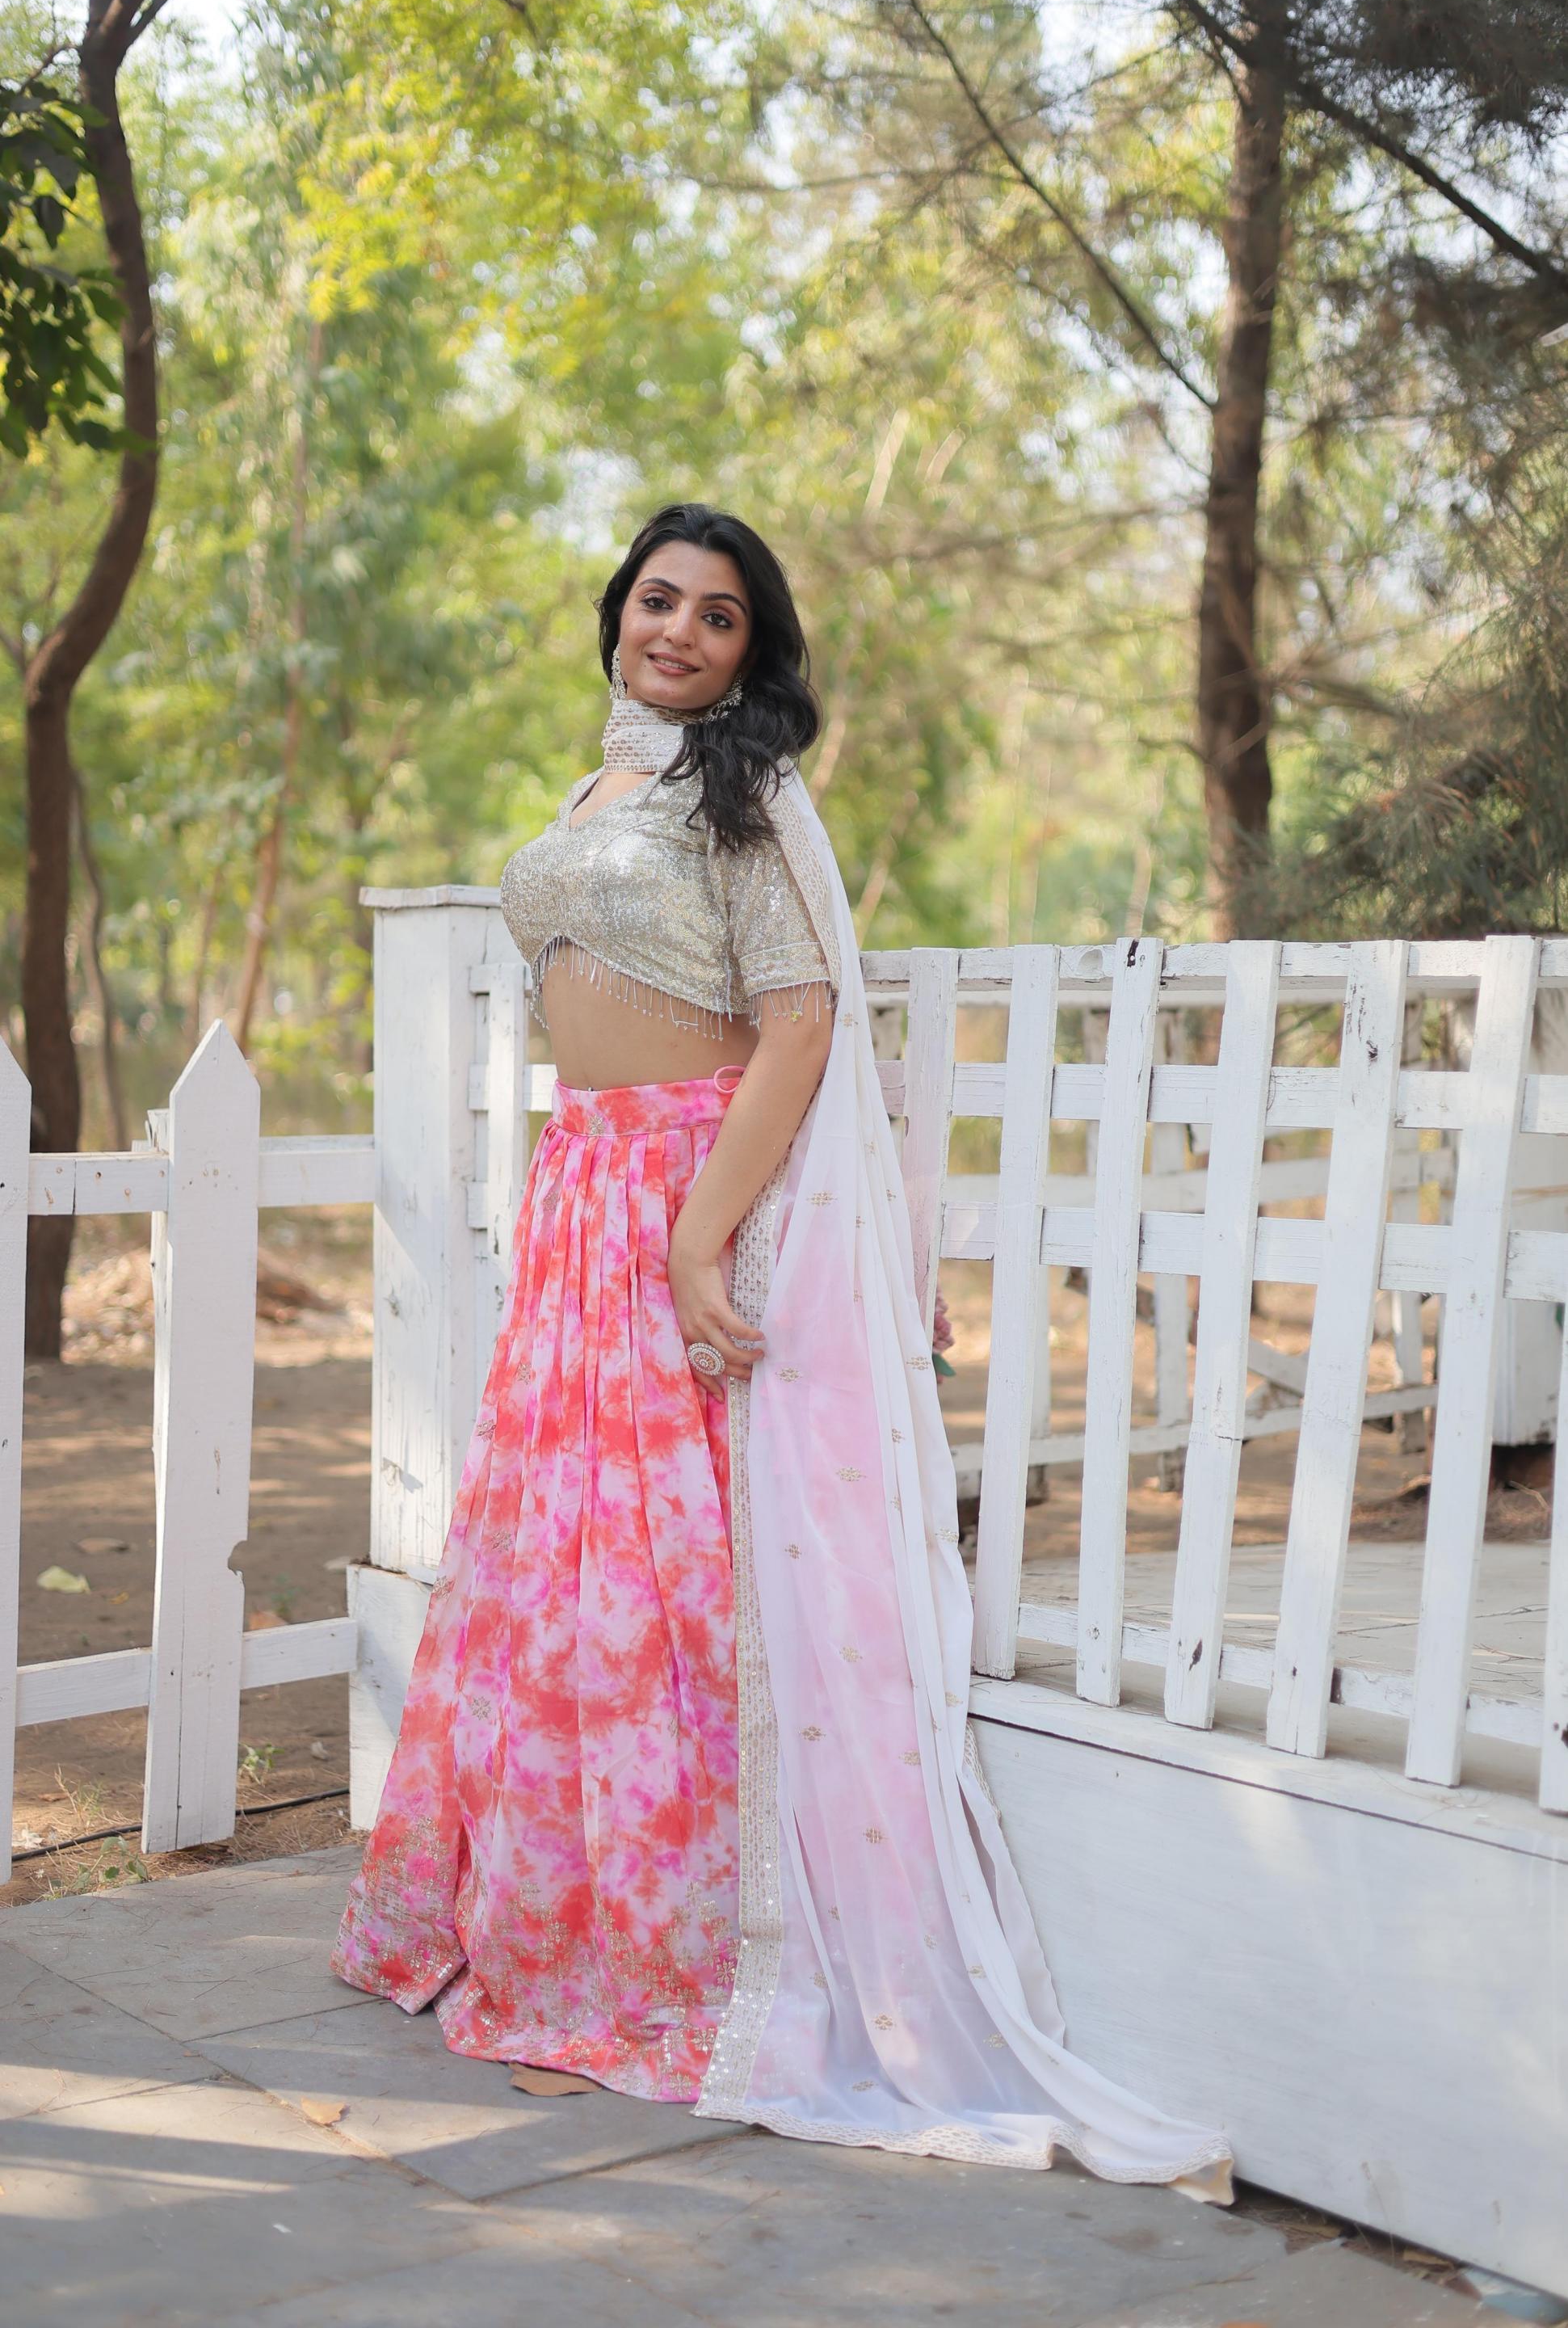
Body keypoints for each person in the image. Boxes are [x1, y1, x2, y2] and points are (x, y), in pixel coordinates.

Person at [332, 502, 1234, 2197]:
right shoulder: (597, 789)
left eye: (718, 614)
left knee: (670, 1577)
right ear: (616, 612)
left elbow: (801, 1023)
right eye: (657, 598)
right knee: (561, 1568)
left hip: (686, 1189)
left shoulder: (744, 794)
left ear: (755, 650)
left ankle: (681, 1944)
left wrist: (696, 1233)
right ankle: (554, 1917)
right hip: (585, 1197)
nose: (677, 630)